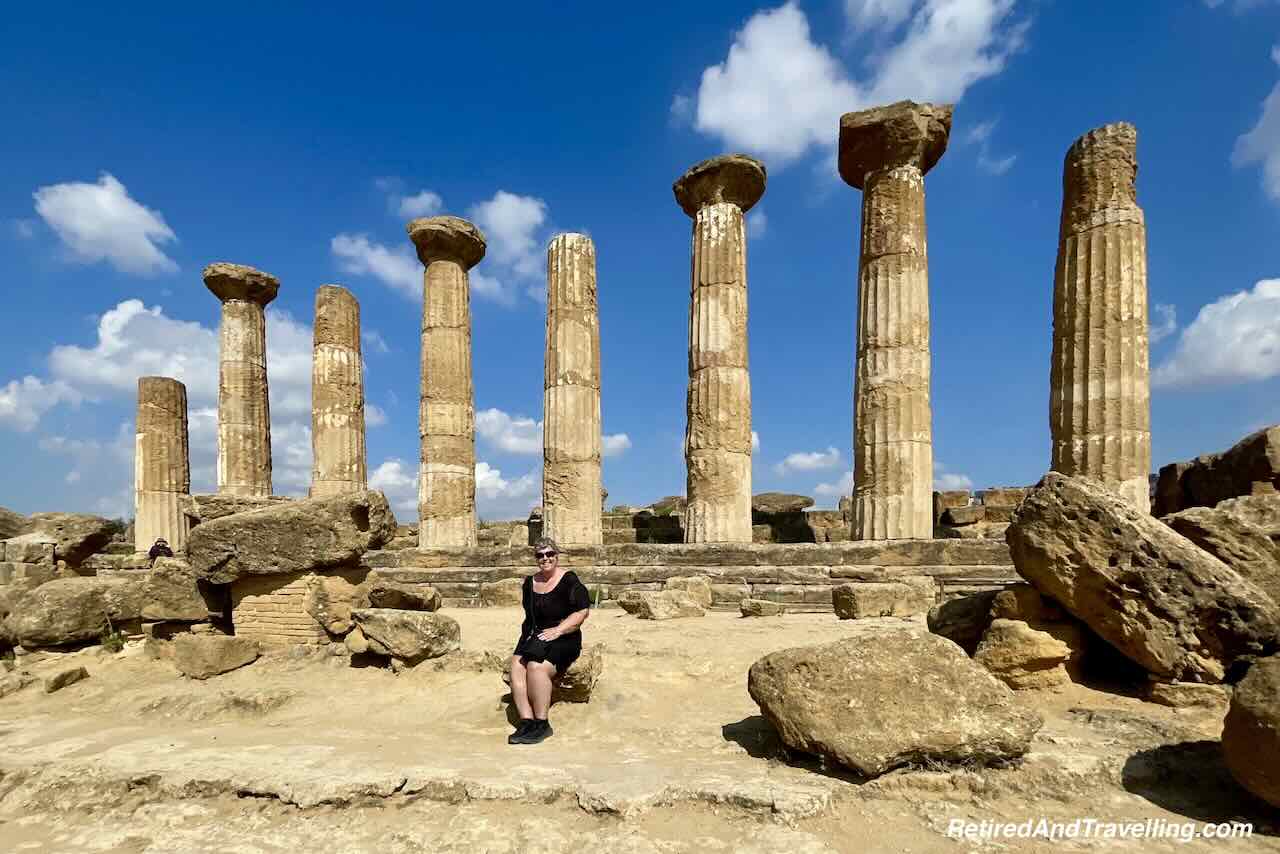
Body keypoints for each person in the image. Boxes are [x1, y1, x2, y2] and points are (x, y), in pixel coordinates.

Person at [508, 536, 590, 745]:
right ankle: (527, 721)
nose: (545, 558)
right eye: (540, 555)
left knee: (537, 667)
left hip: (564, 636)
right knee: (516, 667)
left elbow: (581, 612)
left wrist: (559, 630)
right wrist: (528, 639)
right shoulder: (529, 583)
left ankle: (542, 723)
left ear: (557, 555)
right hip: (535, 634)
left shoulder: (570, 580)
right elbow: (530, 615)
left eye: (550, 554)